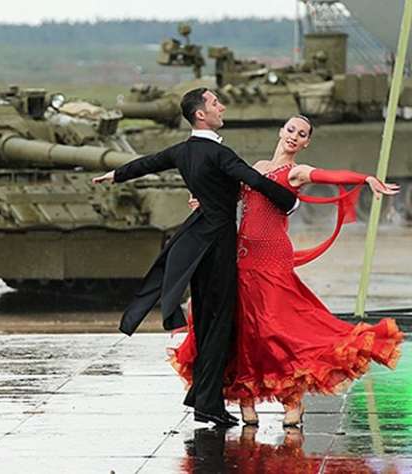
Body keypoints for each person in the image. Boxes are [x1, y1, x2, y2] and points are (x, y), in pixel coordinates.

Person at [168, 115, 403, 427]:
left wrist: (365, 179)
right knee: (242, 328)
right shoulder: (257, 167)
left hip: (272, 257)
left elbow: (328, 176)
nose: (294, 136)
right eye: (291, 129)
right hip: (242, 256)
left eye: (302, 134)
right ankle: (246, 399)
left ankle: (292, 400)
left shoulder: (296, 172)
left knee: (274, 328)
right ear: (281, 131)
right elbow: (230, 196)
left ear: (306, 143)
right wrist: (201, 199)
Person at [92, 88, 299, 426]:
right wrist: (290, 201)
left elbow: (148, 163)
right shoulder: (220, 154)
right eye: (216, 103)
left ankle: (204, 399)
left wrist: (116, 174)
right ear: (201, 114)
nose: (222, 107)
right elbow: (255, 180)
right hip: (218, 244)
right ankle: (208, 404)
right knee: (219, 324)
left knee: (205, 322)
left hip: (197, 238)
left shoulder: (183, 151)